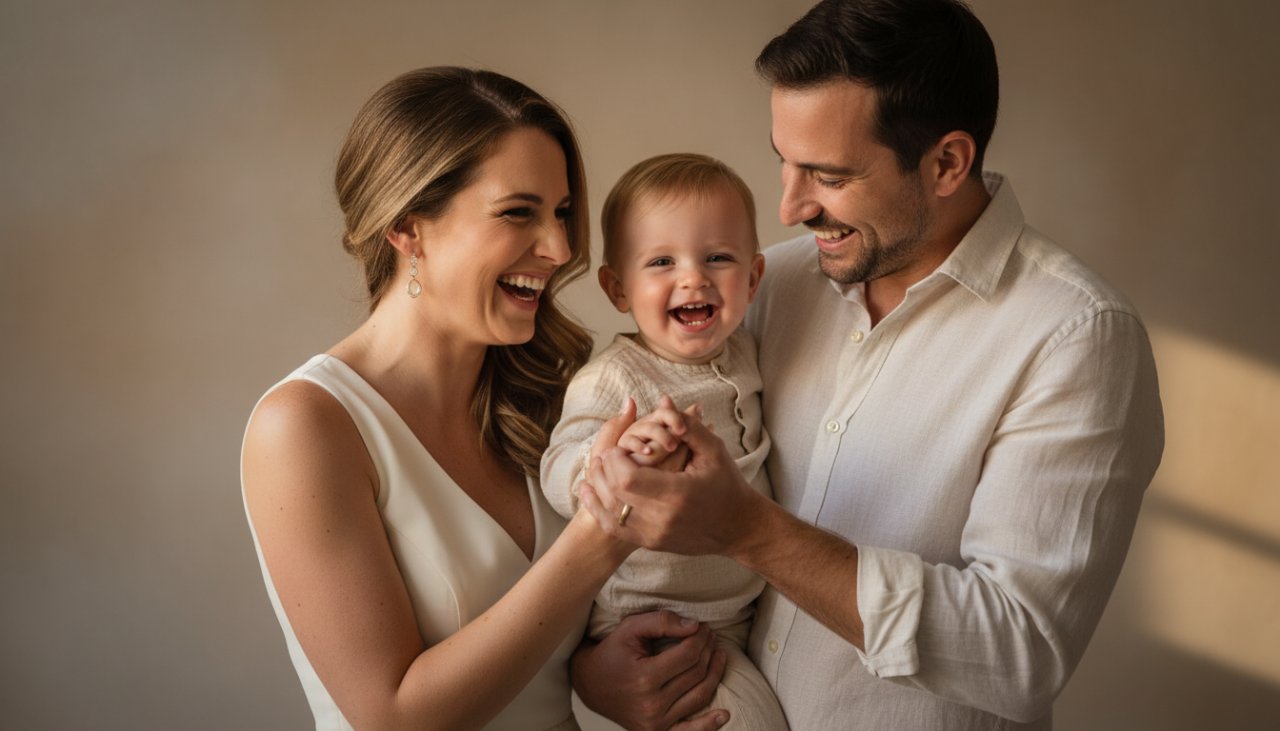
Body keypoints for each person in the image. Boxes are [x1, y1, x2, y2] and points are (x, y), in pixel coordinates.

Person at [571, 1, 1165, 729]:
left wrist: (749, 530)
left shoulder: (1075, 336)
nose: (790, 207)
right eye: (783, 163)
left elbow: (1021, 650)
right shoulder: (768, 286)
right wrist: (593, 670)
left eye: (827, 174)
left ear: (947, 162)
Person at [239, 67, 727, 731]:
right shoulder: (305, 426)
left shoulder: (556, 398)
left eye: (559, 212)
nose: (559, 248)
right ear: (409, 228)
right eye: (517, 212)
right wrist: (601, 535)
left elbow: (540, 639)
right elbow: (392, 715)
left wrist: (590, 672)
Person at [541, 154, 785, 730]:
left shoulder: (749, 353)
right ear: (617, 288)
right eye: (661, 262)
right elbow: (559, 465)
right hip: (653, 619)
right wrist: (608, 464)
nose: (693, 277)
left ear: (752, 278)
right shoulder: (616, 379)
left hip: (731, 613)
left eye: (717, 258)